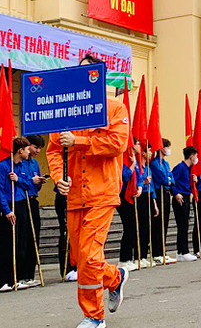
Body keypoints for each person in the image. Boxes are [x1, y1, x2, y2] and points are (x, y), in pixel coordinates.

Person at [47, 53, 131, 328]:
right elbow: (54, 150)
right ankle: (115, 277)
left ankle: (94, 316)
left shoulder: (115, 108)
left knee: (90, 254)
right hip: (74, 196)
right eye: (80, 72)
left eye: (90, 72)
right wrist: (58, 178)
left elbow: (117, 144)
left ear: (99, 77)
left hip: (102, 192)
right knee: (80, 257)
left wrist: (79, 141)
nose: (84, 76)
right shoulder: (65, 111)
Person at [0, 137, 32, 293]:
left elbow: (29, 184)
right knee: (8, 245)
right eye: (27, 150)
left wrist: (18, 179)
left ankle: (15, 278)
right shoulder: (2, 167)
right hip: (8, 206)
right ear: (20, 150)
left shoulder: (22, 166)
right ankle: (1, 281)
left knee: (21, 243)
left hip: (20, 203)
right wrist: (6, 210)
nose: (29, 153)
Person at [19, 134, 48, 287]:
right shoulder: (19, 162)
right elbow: (18, 181)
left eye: (39, 149)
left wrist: (39, 182)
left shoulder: (34, 163)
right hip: (21, 200)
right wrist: (31, 181)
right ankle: (20, 275)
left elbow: (36, 186)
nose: (37, 151)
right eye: (35, 147)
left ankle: (29, 274)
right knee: (23, 238)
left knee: (34, 237)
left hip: (33, 199)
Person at [117, 139, 142, 272]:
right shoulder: (124, 159)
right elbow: (124, 176)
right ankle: (124, 259)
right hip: (123, 195)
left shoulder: (134, 159)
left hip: (132, 195)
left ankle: (129, 258)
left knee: (133, 227)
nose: (140, 146)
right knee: (129, 227)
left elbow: (139, 177)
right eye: (138, 144)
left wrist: (139, 187)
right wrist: (132, 165)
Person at [171, 146, 199, 262]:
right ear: (191, 156)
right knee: (182, 225)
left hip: (187, 196)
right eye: (196, 155)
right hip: (180, 198)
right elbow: (171, 181)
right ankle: (183, 251)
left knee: (185, 225)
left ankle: (181, 251)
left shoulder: (190, 169)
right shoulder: (180, 167)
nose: (196, 158)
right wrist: (176, 193)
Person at [149, 138, 175, 264]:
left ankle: (162, 251)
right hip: (159, 193)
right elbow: (163, 179)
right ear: (161, 148)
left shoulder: (165, 163)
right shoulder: (155, 163)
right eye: (167, 147)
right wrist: (168, 180)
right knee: (158, 224)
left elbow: (171, 178)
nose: (168, 149)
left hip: (166, 193)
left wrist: (169, 180)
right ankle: (157, 253)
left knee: (165, 223)